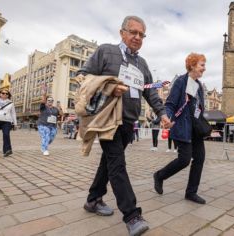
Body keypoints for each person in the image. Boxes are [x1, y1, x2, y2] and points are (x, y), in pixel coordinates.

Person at [78, 15, 171, 236]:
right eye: (133, 32)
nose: (137, 37)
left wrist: (163, 113)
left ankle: (93, 199)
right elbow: (83, 76)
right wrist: (109, 88)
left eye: (141, 34)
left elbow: (150, 93)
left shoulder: (142, 63)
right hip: (108, 119)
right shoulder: (106, 51)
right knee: (117, 164)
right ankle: (132, 215)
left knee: (108, 162)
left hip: (130, 122)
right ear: (122, 33)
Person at [153, 53, 207, 205]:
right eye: (202, 65)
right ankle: (159, 176)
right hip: (183, 126)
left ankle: (191, 192)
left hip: (196, 128)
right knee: (184, 160)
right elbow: (170, 104)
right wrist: (167, 117)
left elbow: (199, 107)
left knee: (200, 158)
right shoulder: (180, 82)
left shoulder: (199, 86)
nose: (204, 68)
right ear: (192, 65)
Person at [0, 90, 17, 157]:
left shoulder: (11, 103)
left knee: (6, 134)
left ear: (8, 95)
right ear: (0, 94)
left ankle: (7, 150)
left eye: (6, 93)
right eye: (3, 93)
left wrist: (15, 123)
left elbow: (13, 113)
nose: (5, 94)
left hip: (6, 121)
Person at [37, 87, 63, 156]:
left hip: (53, 126)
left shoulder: (55, 109)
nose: (50, 102)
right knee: (46, 136)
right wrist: (44, 95)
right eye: (48, 100)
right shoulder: (43, 107)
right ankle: (44, 149)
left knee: (51, 138)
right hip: (43, 125)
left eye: (51, 100)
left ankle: (44, 144)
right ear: (46, 101)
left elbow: (61, 114)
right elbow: (43, 101)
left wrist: (60, 107)